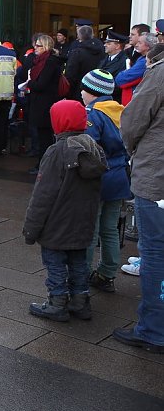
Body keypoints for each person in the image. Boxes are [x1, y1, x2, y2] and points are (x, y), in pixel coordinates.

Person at [23, 99, 107, 322]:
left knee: (55, 263)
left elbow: (43, 195)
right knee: (79, 261)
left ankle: (57, 302)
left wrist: (31, 228)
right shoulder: (94, 149)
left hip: (57, 223)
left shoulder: (57, 152)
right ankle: (80, 301)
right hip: (83, 222)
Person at [112, 41, 164, 353]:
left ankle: (153, 329)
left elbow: (132, 122)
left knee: (155, 252)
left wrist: (133, 152)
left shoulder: (160, 73)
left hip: (158, 177)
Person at [79, 70, 130, 294]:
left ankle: (81, 274)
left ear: (92, 92)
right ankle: (107, 273)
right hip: (119, 177)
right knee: (109, 228)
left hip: (99, 178)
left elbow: (89, 149)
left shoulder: (93, 114)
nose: (81, 93)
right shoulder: (120, 111)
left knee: (90, 229)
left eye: (84, 89)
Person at [22, 34, 63, 174]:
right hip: (40, 103)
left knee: (44, 137)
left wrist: (29, 84)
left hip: (45, 104)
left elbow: (41, 84)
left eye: (38, 45)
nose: (35, 47)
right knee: (42, 135)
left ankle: (44, 165)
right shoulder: (40, 61)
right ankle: (43, 164)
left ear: (45, 47)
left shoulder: (49, 62)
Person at [0, 39, 17, 156]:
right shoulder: (12, 54)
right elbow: (14, 73)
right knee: (3, 122)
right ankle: (1, 148)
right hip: (7, 94)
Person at [65, 24, 105, 101]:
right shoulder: (101, 50)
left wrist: (68, 91)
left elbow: (71, 74)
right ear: (92, 35)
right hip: (96, 88)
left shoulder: (77, 52)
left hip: (78, 90)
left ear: (79, 36)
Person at [116, 32, 156, 105]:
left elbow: (121, 79)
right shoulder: (142, 58)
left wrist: (124, 73)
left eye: (140, 43)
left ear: (148, 46)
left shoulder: (144, 62)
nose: (136, 45)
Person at [98, 30, 130, 104]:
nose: (105, 45)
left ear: (117, 46)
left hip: (114, 99)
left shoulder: (125, 61)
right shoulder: (105, 58)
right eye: (105, 43)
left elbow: (120, 82)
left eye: (108, 43)